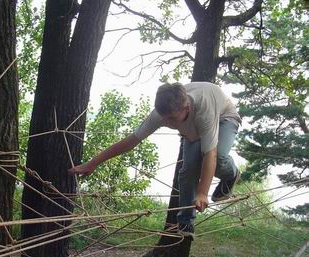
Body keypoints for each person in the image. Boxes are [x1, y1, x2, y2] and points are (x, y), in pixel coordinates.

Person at [69, 82, 241, 238]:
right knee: (188, 170)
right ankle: (186, 221)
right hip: (192, 130)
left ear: (186, 107)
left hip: (223, 117)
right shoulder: (163, 113)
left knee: (218, 157)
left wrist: (203, 193)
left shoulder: (203, 108)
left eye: (171, 118)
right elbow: (131, 141)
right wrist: (92, 163)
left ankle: (231, 175)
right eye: (163, 116)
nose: (165, 122)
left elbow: (209, 155)